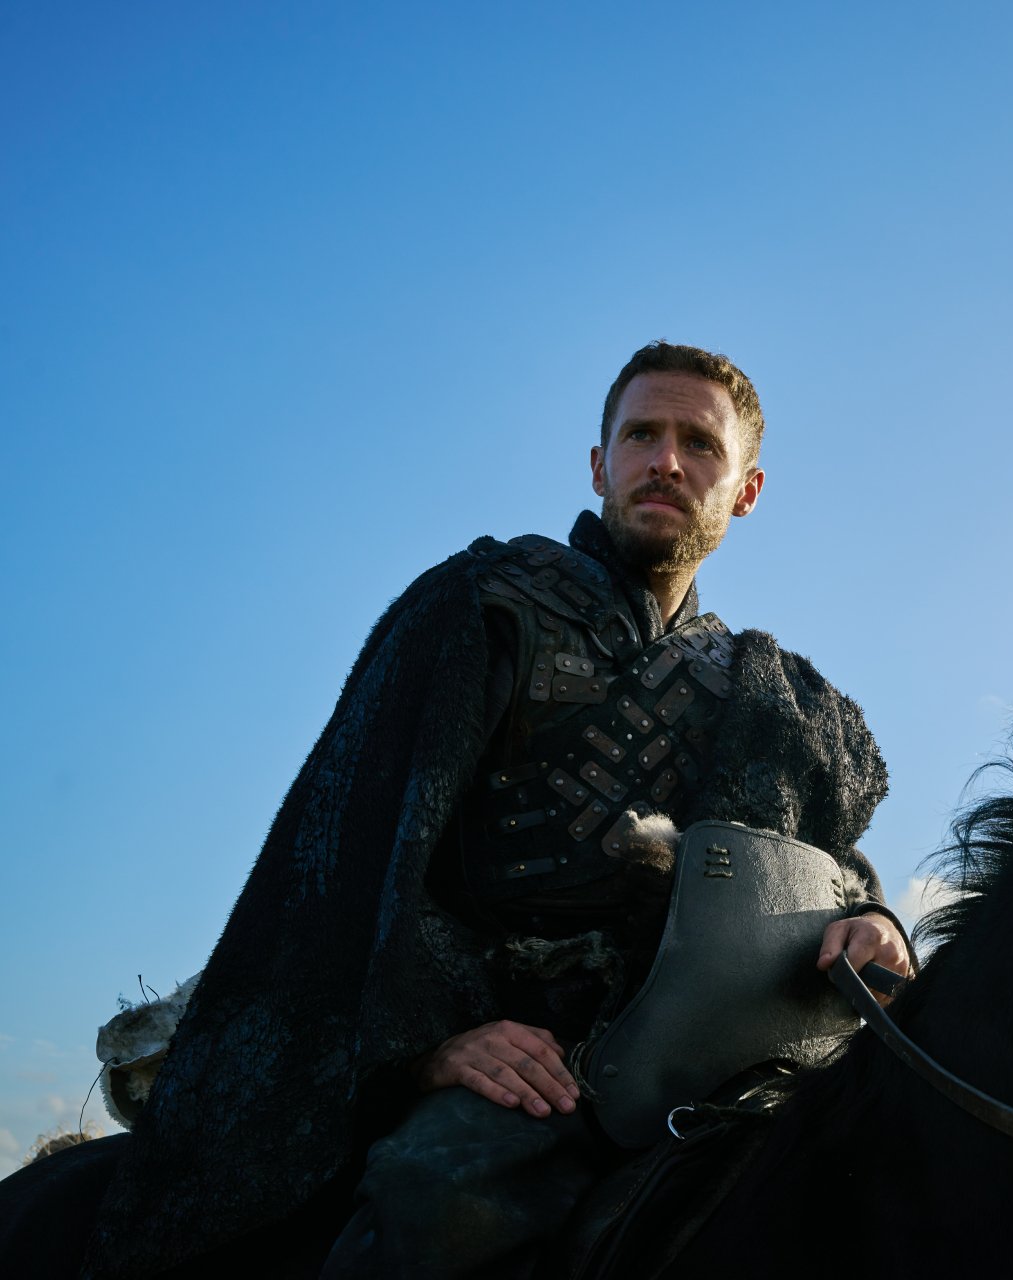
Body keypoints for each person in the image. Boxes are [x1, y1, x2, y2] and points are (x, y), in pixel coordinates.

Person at [72, 342, 911, 1278]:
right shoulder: (483, 608)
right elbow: (347, 859)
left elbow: (824, 874)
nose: (667, 461)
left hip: (711, 1063)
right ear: (599, 465)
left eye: (699, 444)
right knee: (443, 1199)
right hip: (510, 1050)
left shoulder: (783, 699)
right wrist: (427, 1045)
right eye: (642, 435)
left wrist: (874, 921)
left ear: (746, 490)